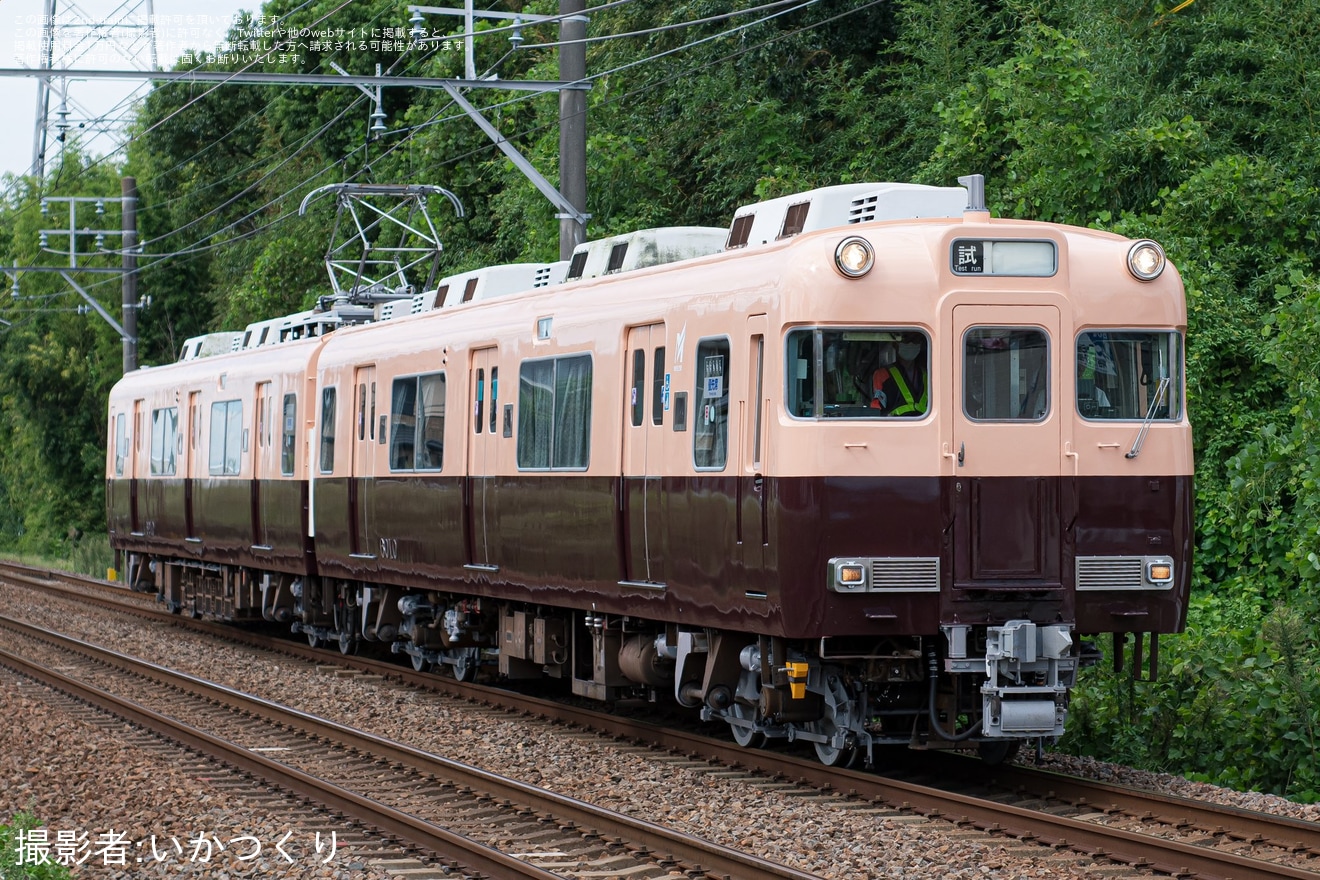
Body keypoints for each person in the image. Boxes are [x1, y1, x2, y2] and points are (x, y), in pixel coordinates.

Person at [871, 334, 928, 416]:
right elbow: (877, 409)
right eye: (906, 340)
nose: (911, 344)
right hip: (896, 426)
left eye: (915, 340)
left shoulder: (928, 374)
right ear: (895, 345)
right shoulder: (882, 374)